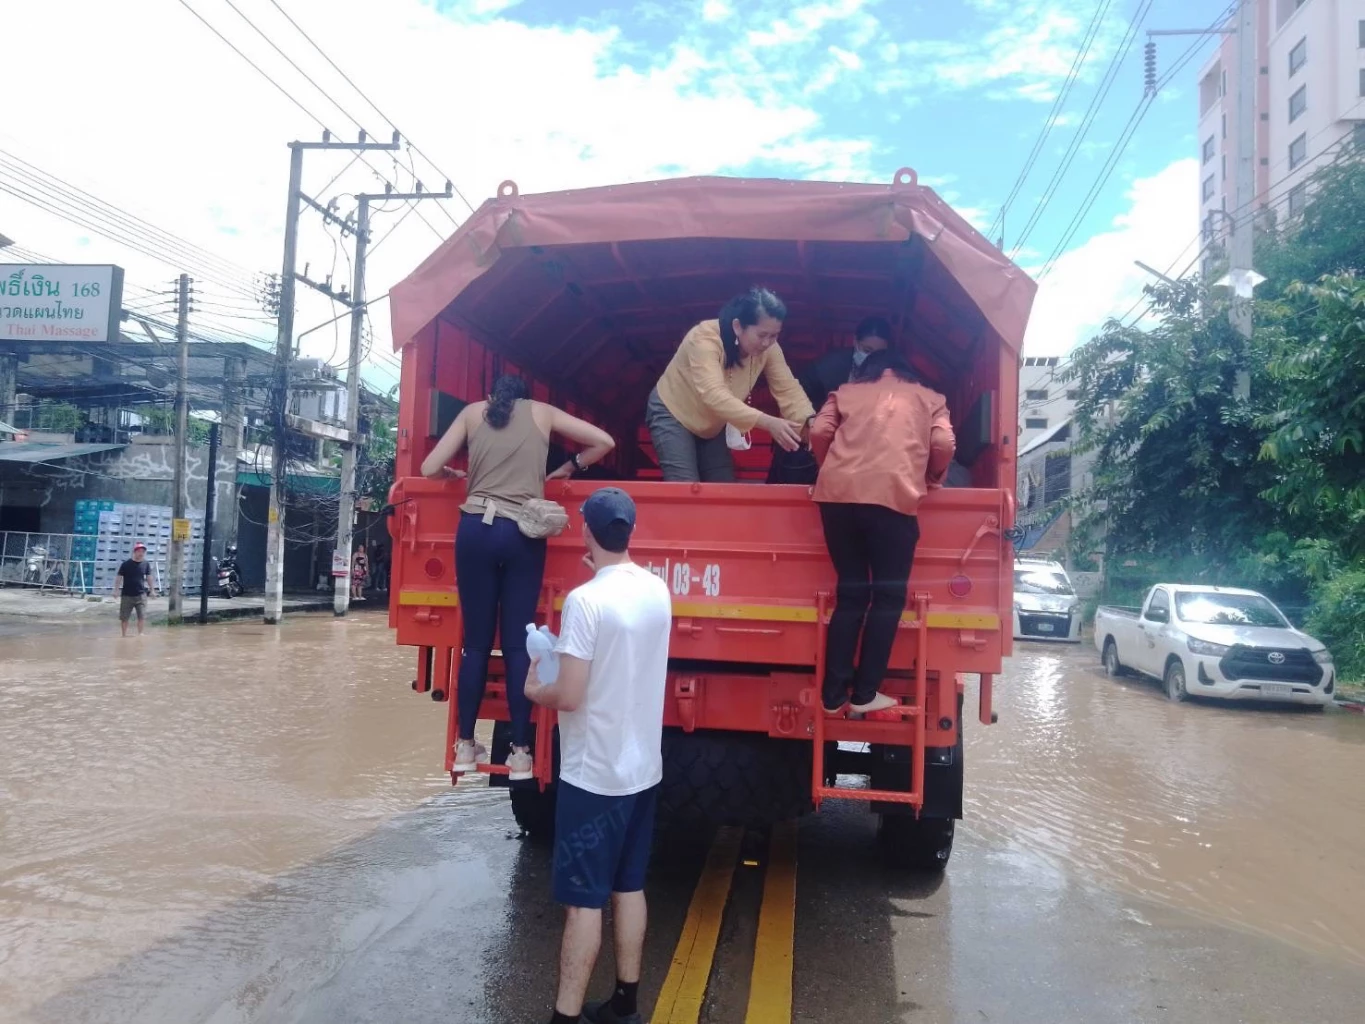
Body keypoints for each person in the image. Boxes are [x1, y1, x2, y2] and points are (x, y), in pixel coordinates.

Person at [421, 375, 616, 782]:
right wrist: (569, 467)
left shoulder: (472, 413)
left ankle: (464, 747)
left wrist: (452, 479)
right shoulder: (543, 413)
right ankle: (522, 753)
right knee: (516, 647)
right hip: (523, 534)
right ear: (526, 396)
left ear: (491, 396)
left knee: (474, 646)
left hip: (475, 529)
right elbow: (604, 441)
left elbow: (428, 467)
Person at [524, 487, 671, 1024]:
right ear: (628, 531)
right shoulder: (656, 590)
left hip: (594, 777)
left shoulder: (586, 601)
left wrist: (534, 685)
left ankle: (565, 1017)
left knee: (583, 902)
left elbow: (569, 694)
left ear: (586, 531)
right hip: (641, 771)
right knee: (629, 886)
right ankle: (627, 1006)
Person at [809, 348, 956, 714]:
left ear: (867, 372)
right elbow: (943, 444)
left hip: (836, 502)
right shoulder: (930, 398)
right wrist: (933, 477)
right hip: (893, 500)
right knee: (888, 599)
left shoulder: (844, 392)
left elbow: (819, 430)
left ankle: (832, 696)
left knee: (851, 594)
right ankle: (864, 694)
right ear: (907, 371)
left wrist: (832, 469)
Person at [647, 287, 814, 482]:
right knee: (684, 487)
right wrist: (768, 422)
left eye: (774, 335)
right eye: (762, 335)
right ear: (738, 326)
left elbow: (788, 389)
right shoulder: (703, 338)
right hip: (673, 413)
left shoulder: (770, 348)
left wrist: (810, 421)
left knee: (723, 487)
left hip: (712, 423)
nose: (767, 342)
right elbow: (713, 394)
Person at [767, 315, 894, 484]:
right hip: (806, 449)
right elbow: (795, 403)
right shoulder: (827, 368)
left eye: (878, 353)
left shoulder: (893, 374)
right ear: (855, 342)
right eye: (867, 350)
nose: (871, 358)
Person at [114, 541, 155, 638]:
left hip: (141, 595)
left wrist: (152, 590)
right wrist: (116, 590)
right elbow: (119, 577)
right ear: (135, 552)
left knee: (142, 616)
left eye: (143, 552)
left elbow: (149, 577)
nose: (141, 553)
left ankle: (140, 634)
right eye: (139, 551)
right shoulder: (126, 564)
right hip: (127, 595)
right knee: (124, 617)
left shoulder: (146, 564)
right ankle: (123, 635)